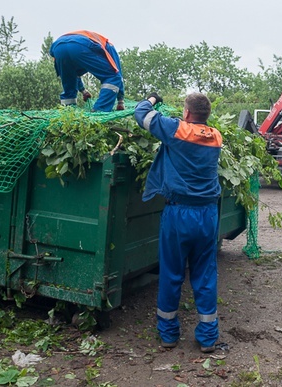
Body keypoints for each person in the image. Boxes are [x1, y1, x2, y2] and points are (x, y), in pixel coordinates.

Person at [134, 92, 222, 353]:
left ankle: (169, 334)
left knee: (172, 273)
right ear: (206, 115)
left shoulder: (176, 130)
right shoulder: (216, 136)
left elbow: (142, 114)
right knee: (205, 274)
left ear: (186, 113)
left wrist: (151, 98)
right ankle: (207, 337)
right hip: (207, 214)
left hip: (179, 214)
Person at [49, 30, 125, 112]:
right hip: (81, 44)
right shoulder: (109, 46)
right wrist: (120, 101)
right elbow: (117, 74)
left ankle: (68, 113)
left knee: (69, 83)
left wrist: (83, 91)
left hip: (58, 47)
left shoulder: (82, 52)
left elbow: (74, 75)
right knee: (113, 77)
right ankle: (99, 111)